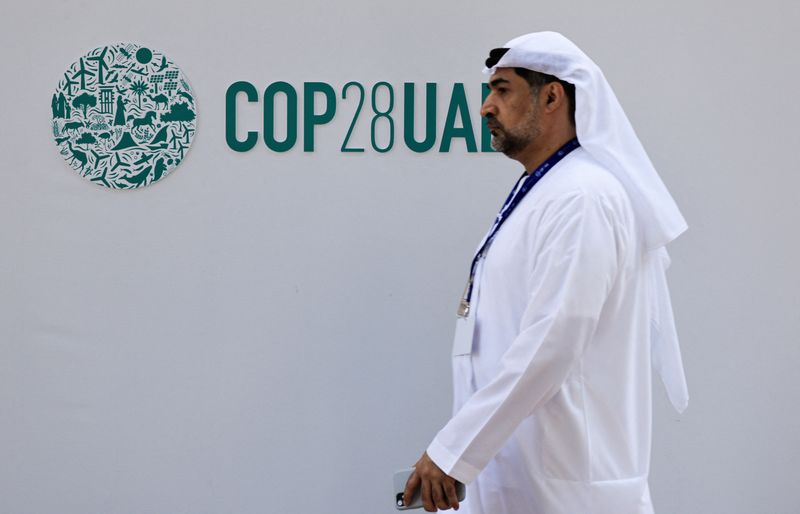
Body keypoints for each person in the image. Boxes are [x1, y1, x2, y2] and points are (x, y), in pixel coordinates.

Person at [403, 32, 689, 514]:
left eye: (503, 89)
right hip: (521, 480)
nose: (486, 108)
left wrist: (455, 450)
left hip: (568, 488)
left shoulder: (583, 197)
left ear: (553, 96)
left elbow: (553, 339)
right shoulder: (549, 189)